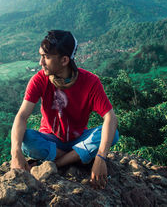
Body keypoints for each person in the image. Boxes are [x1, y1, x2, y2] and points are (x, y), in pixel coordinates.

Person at [10, 30, 119, 189]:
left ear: (64, 60)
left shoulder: (90, 82)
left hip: (78, 138)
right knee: (26, 139)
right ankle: (78, 157)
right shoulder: (40, 80)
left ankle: (59, 163)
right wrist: (15, 153)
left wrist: (101, 158)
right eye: (41, 56)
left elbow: (111, 118)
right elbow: (21, 117)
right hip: (51, 140)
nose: (41, 62)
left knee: (112, 133)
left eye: (46, 57)